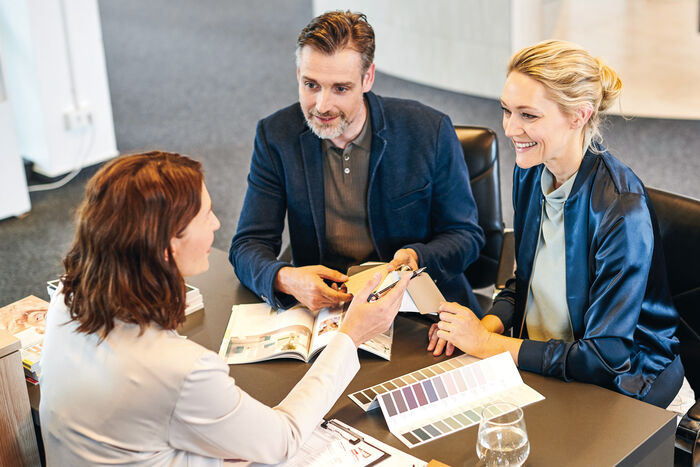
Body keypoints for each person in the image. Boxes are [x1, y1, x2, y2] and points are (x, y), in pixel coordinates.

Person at [39, 152, 410, 465]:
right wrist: (350, 335)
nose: (217, 223)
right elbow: (282, 440)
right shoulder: (181, 369)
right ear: (167, 248)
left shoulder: (70, 294)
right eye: (206, 215)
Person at [427, 40, 694, 410]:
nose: (509, 128)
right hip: (548, 364)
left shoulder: (621, 210)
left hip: (625, 388)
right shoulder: (532, 172)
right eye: (506, 111)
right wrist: (480, 328)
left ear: (579, 115)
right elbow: (525, 284)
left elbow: (603, 357)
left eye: (528, 115)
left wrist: (488, 345)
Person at [229, 10, 485, 313]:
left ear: (368, 78)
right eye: (311, 85)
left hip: (417, 308)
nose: (322, 106)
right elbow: (248, 245)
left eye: (340, 88)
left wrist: (418, 257)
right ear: (298, 75)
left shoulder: (428, 130)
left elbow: (466, 235)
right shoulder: (276, 136)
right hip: (331, 307)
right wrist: (285, 278)